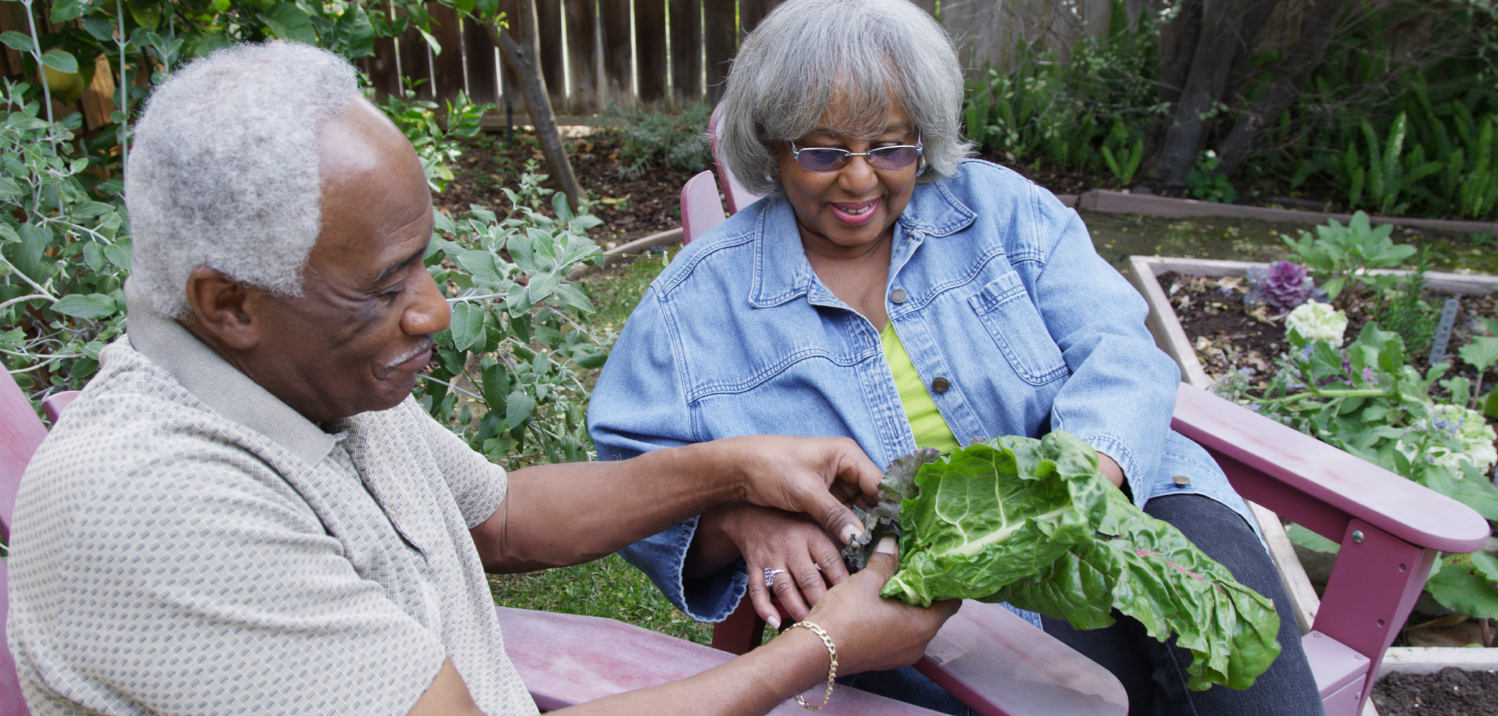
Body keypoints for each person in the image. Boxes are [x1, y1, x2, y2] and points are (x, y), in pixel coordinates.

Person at [5, 42, 959, 716]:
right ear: (229, 304)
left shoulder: (307, 378)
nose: (431, 313)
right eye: (384, 287)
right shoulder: (160, 505)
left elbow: (498, 515)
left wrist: (735, 469)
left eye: (423, 261)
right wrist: (821, 650)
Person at [587, 1, 1324, 714]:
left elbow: (1121, 351)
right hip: (915, 586)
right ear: (770, 146)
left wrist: (1070, 489)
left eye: (890, 146)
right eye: (821, 150)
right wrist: (737, 523)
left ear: (924, 138)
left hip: (1133, 497)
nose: (859, 178)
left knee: (1233, 645)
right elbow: (625, 475)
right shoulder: (698, 303)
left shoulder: (1003, 212)